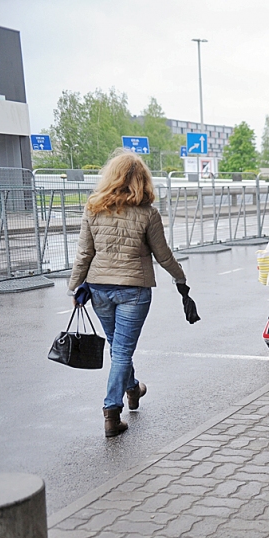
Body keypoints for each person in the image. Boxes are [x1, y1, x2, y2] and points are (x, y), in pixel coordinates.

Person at [68, 150, 189, 438]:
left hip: (99, 289)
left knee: (118, 347)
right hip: (133, 290)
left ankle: (133, 389)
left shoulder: (94, 208)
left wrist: (74, 286)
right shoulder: (148, 213)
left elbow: (85, 252)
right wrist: (180, 277)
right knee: (121, 350)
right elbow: (163, 255)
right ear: (143, 181)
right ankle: (112, 411)